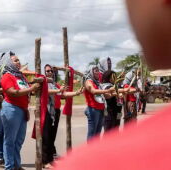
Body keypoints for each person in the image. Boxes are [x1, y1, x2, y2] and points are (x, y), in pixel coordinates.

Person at [54, 0, 171, 169]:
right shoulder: (92, 82)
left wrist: (121, 90)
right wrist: (116, 91)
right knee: (99, 135)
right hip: (97, 110)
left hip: (105, 112)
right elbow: (98, 92)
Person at [0, 53, 40, 170]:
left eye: (18, 60)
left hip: (21, 110)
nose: (18, 62)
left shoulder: (21, 76)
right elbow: (12, 92)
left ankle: (17, 165)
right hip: (11, 109)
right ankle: (9, 167)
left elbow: (26, 92)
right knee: (10, 141)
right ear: (8, 63)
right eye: (15, 61)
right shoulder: (7, 76)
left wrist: (26, 109)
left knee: (19, 141)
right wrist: (32, 88)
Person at [41, 64, 83, 168]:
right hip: (46, 111)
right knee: (46, 137)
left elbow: (64, 94)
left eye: (51, 71)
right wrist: (59, 91)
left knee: (52, 136)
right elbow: (47, 92)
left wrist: (76, 93)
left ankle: (50, 159)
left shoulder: (55, 84)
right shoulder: (43, 83)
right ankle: (44, 161)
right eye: (47, 71)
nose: (49, 72)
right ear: (44, 72)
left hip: (55, 111)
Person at [83, 65, 114, 140]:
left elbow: (105, 95)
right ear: (91, 72)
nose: (98, 72)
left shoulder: (97, 83)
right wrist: (108, 90)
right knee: (92, 133)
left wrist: (115, 94)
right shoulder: (88, 81)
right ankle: (90, 151)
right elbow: (93, 91)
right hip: (93, 110)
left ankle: (95, 151)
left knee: (97, 134)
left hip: (100, 109)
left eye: (98, 70)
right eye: (96, 71)